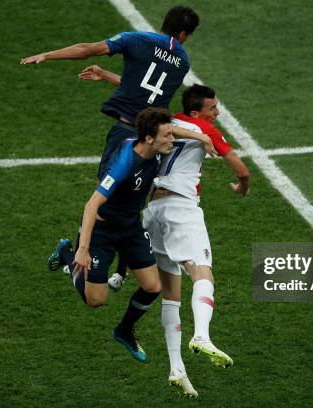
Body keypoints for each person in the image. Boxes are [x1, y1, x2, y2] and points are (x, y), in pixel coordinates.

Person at [81, 68, 250, 396]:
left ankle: (176, 369)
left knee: (169, 292)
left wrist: (105, 75)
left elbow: (134, 89)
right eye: (213, 108)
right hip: (181, 210)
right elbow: (240, 167)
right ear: (197, 111)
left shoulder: (165, 121)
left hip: (153, 210)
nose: (217, 113)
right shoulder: (205, 129)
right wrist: (243, 184)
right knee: (202, 274)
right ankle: (201, 335)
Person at [47, 107, 174, 363]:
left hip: (130, 227)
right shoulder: (125, 163)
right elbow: (91, 205)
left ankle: (124, 330)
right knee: (96, 300)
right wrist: (83, 250)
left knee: (153, 286)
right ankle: (67, 253)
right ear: (149, 138)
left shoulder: (155, 148)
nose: (173, 140)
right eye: (168, 135)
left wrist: (205, 139)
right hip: (102, 232)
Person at [20, 6, 206, 176]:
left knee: (104, 193)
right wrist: (104, 74)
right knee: (132, 202)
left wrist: (47, 55)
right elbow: (144, 89)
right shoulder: (183, 63)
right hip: (152, 142)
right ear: (182, 34)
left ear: (165, 22)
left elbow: (85, 50)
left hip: (125, 134)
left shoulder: (136, 39)